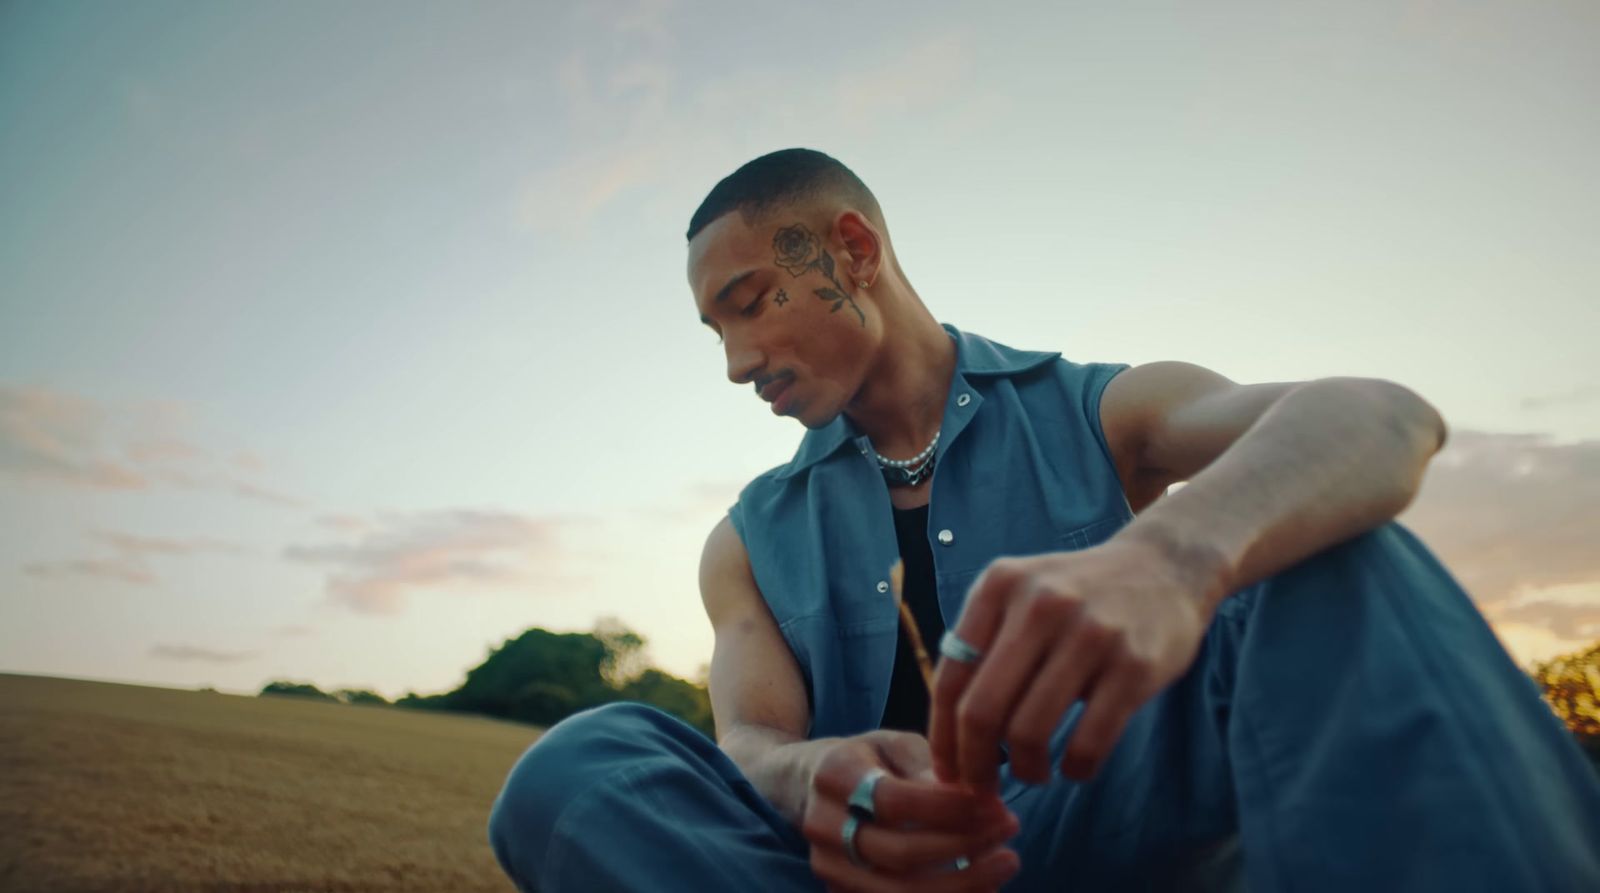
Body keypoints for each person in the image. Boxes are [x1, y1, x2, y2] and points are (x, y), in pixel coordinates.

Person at [488, 148, 1600, 892]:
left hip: (1089, 828)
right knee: (580, 762)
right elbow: (749, 741)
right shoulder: (746, 534)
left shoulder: (1103, 405)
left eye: (749, 305)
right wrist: (811, 772)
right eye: (711, 330)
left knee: (1328, 551)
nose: (735, 364)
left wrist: (1171, 556)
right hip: (852, 870)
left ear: (851, 251)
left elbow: (1375, 416)